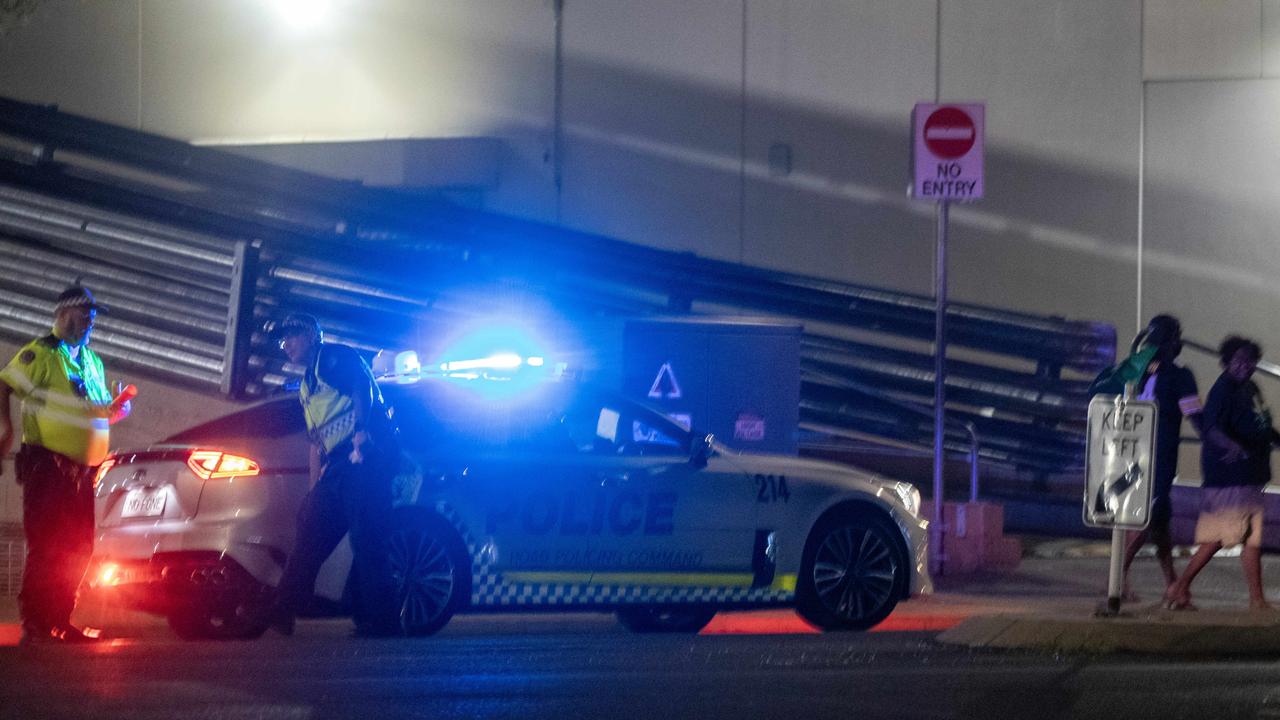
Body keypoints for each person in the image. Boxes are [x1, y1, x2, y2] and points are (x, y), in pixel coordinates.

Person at [0, 286, 132, 644]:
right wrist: (6, 428)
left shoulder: (92, 360)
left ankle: (59, 618)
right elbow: (4, 384)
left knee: (78, 547)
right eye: (84, 313)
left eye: (93, 315)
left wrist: (115, 411)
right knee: (48, 545)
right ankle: (36, 621)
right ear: (63, 314)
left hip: (82, 472)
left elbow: (95, 409)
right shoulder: (41, 353)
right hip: (48, 466)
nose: (91, 320)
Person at [267, 313, 401, 637]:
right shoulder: (305, 387)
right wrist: (315, 488)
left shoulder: (331, 359)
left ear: (312, 335)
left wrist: (362, 430)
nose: (286, 344)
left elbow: (362, 388)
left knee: (367, 538)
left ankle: (383, 622)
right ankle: (282, 612)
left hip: (365, 458)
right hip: (339, 466)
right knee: (311, 529)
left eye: (292, 336)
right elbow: (316, 443)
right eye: (282, 340)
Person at [1163, 336, 1279, 611]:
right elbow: (1211, 428)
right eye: (1238, 360)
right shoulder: (1223, 390)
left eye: (1250, 360)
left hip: (1250, 475)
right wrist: (1234, 447)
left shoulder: (1250, 388)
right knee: (1219, 538)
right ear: (1226, 362)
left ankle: (1256, 599)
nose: (1245, 365)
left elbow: (1262, 426)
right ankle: (1180, 587)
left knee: (1250, 538)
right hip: (1230, 477)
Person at [1118, 315, 1203, 601]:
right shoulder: (1180, 377)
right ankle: (1116, 580)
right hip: (1159, 459)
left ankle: (1173, 585)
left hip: (1131, 455)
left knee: (1159, 523)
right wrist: (1216, 438)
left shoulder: (1135, 372)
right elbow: (1195, 416)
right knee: (1147, 517)